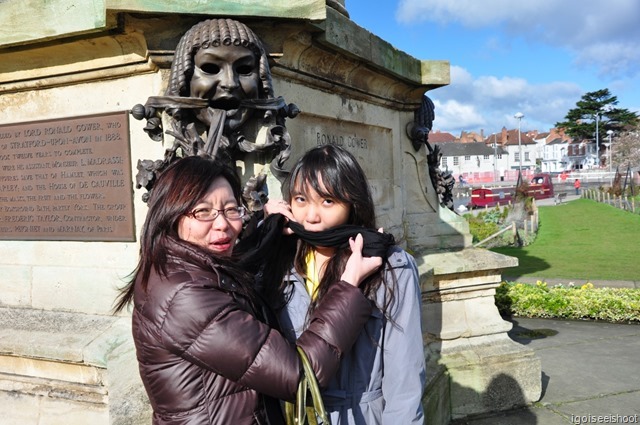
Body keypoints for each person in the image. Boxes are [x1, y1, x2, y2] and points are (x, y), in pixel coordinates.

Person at [112, 155, 383, 425]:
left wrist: (267, 228)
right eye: (203, 211)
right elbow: (300, 377)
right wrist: (347, 286)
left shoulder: (176, 268)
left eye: (231, 209)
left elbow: (237, 268)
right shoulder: (184, 296)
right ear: (170, 214)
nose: (222, 224)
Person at [269, 145, 426, 424]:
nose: (311, 216)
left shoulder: (389, 265)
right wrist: (263, 232)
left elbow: (405, 375)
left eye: (327, 201)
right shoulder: (280, 259)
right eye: (301, 199)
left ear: (353, 203)